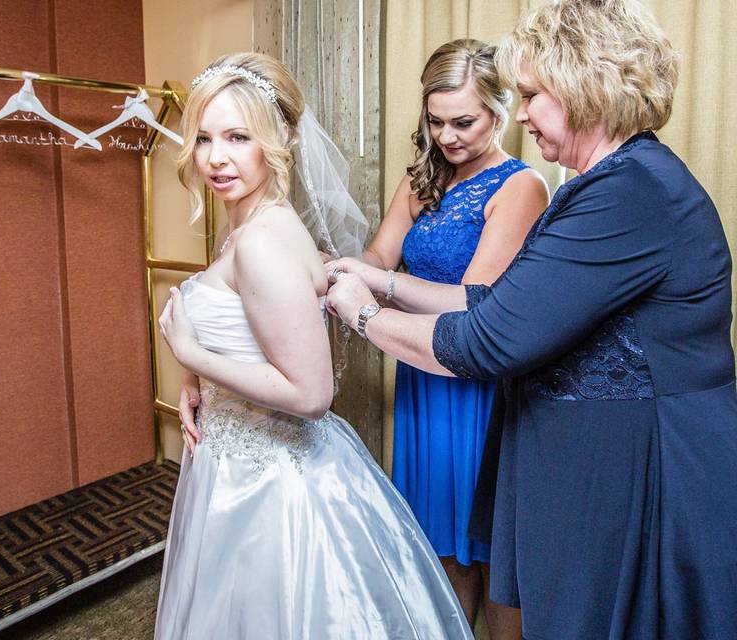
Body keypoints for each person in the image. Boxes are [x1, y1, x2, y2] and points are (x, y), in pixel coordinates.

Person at [324, 1, 737, 638]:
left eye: (532, 95)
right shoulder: (613, 182)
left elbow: (487, 339)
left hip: (646, 470)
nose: (520, 114)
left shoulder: (630, 190)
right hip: (605, 465)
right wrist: (377, 279)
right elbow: (501, 304)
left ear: (584, 88)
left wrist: (363, 314)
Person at [154, 52, 473, 639]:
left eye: (237, 136)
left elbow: (310, 393)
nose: (215, 157)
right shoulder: (249, 225)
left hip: (270, 485)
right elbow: (255, 340)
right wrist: (203, 380)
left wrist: (192, 354)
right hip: (238, 457)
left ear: (278, 139)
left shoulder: (262, 241)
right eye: (203, 137)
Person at [345, 39, 545, 638]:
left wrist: (374, 285)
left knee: (489, 552)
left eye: (465, 121)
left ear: (500, 110)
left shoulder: (521, 187)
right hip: (420, 378)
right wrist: (338, 268)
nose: (448, 136)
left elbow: (472, 300)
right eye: (436, 121)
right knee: (440, 548)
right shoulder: (422, 180)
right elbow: (379, 254)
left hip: (478, 383)